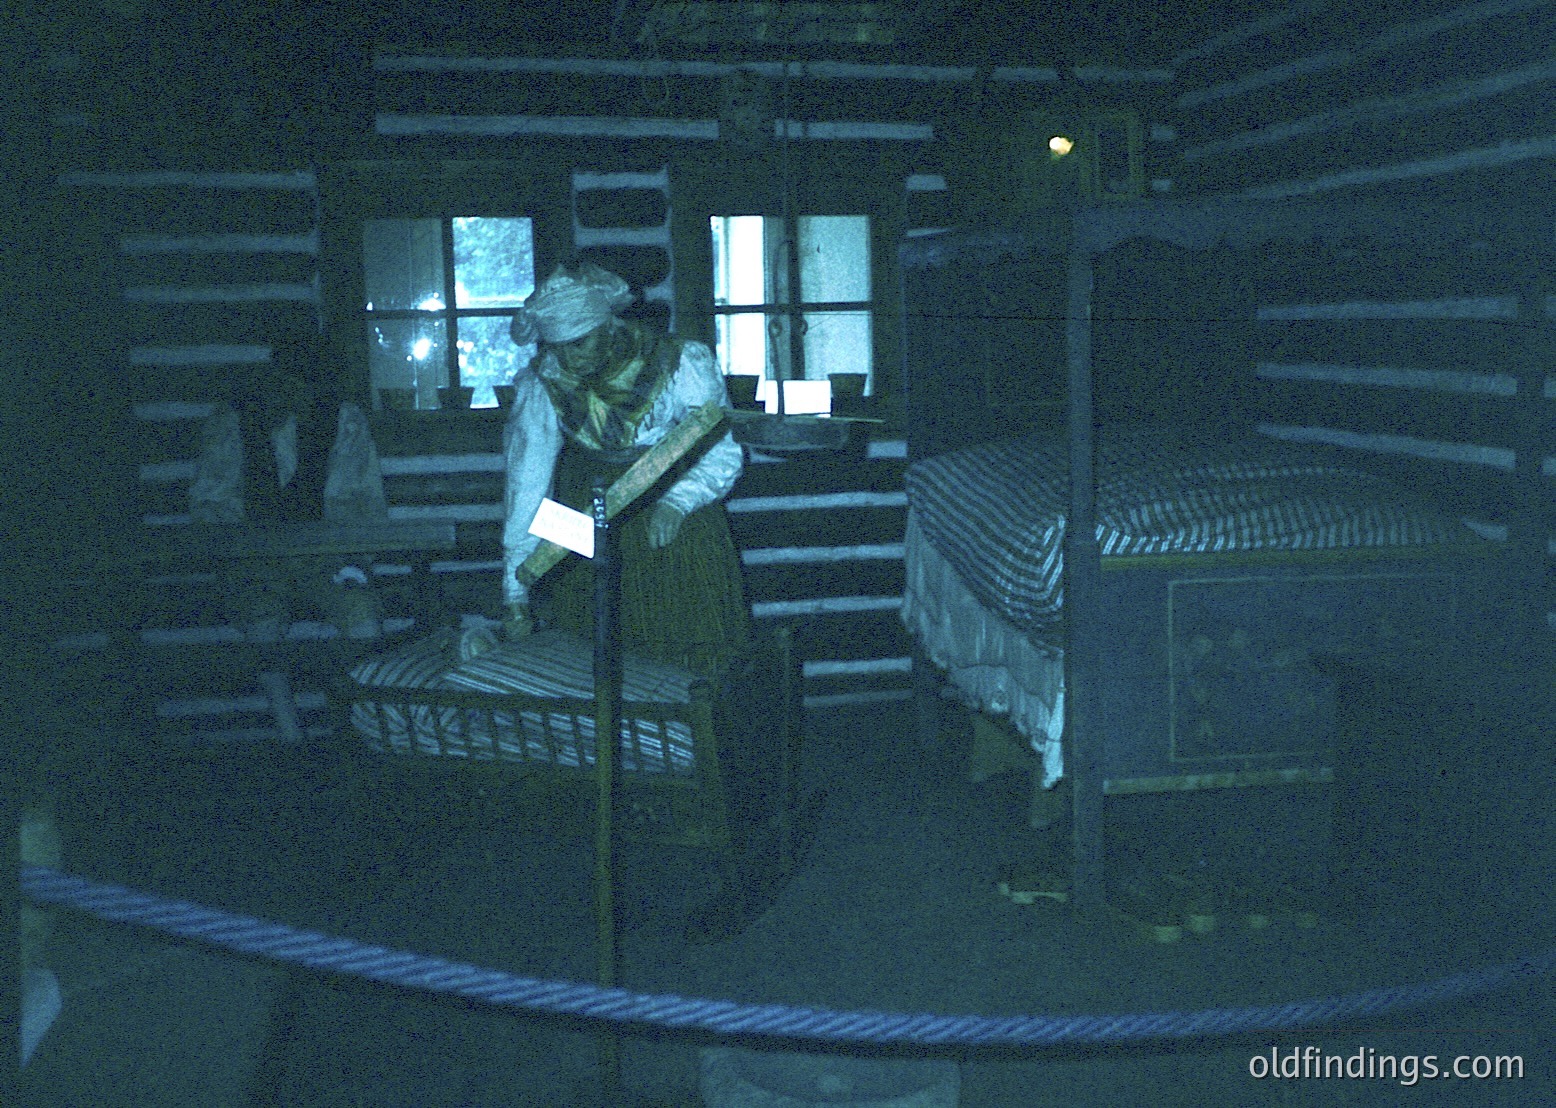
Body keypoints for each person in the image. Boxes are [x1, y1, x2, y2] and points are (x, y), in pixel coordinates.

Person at [501, 261, 748, 676]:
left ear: (608, 327)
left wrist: (678, 501)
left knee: (686, 646)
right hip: (583, 509)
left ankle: (693, 737)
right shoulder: (542, 384)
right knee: (591, 646)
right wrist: (514, 588)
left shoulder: (677, 362)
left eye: (579, 343)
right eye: (556, 347)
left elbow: (721, 449)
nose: (568, 358)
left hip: (674, 507)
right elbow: (526, 484)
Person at [188, 333, 387, 642]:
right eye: (292, 377)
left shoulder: (345, 422)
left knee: (362, 616)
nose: (299, 390)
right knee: (262, 621)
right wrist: (251, 536)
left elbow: (366, 502)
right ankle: (279, 693)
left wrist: (346, 552)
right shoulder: (233, 422)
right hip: (255, 561)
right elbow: (209, 503)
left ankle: (353, 689)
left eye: (311, 381)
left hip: (329, 558)